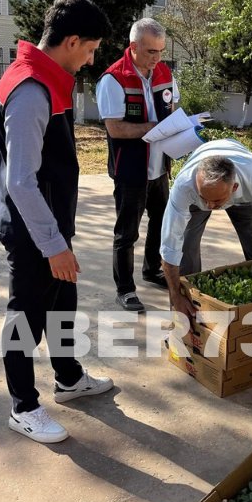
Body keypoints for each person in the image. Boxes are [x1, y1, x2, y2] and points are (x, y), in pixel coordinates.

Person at [0, 0, 114, 445]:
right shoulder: (31, 90)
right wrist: (53, 245)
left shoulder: (45, 78)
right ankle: (23, 406)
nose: (91, 58)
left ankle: (69, 378)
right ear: (72, 40)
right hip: (32, 229)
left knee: (63, 302)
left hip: (52, 224)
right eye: (91, 48)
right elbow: (20, 181)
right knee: (25, 315)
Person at [158, 138, 252, 318]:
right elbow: (170, 245)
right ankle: (184, 317)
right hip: (194, 197)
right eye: (205, 198)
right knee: (186, 249)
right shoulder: (185, 186)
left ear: (234, 188)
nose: (209, 206)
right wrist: (176, 295)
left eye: (216, 201)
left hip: (245, 194)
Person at [95, 18, 177, 312]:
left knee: (160, 221)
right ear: (133, 47)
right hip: (131, 171)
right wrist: (153, 127)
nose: (157, 59)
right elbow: (115, 129)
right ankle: (125, 289)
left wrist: (181, 127)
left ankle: (151, 270)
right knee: (127, 232)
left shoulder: (164, 72)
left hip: (159, 169)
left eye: (161, 51)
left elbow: (173, 107)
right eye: (151, 52)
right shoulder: (113, 79)